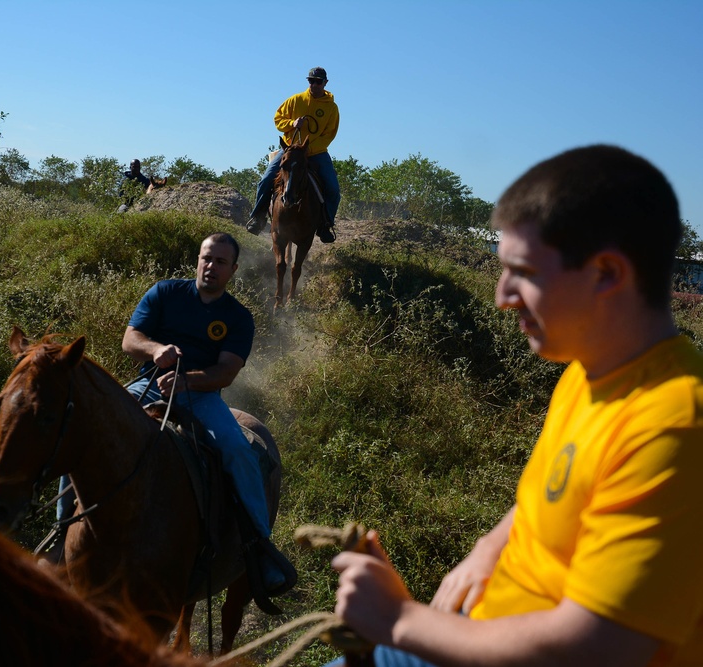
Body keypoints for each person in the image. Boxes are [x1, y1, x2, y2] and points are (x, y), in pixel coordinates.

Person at [328, 145, 703, 666]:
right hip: (478, 631)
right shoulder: (588, 369)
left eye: (522, 271)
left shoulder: (674, 425)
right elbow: (550, 497)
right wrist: (488, 548)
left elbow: (598, 648)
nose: (502, 294)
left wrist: (400, 620)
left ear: (607, 273)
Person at [122, 232, 292, 595]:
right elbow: (130, 338)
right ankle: (62, 530)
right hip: (147, 386)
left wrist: (186, 382)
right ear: (197, 259)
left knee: (237, 451)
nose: (210, 266)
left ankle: (259, 548)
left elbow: (226, 372)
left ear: (232, 270)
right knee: (97, 423)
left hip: (201, 397)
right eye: (206, 258)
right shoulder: (165, 292)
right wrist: (154, 350)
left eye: (219, 262)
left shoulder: (238, 318)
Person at [246, 66, 340, 244]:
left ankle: (325, 225)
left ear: (325, 83)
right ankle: (257, 218)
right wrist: (292, 123)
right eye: (311, 81)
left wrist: (308, 149)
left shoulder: (332, 108)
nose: (314, 84)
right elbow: (278, 120)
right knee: (266, 180)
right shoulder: (295, 100)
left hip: (316, 152)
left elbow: (329, 134)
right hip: (289, 149)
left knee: (333, 189)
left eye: (318, 81)